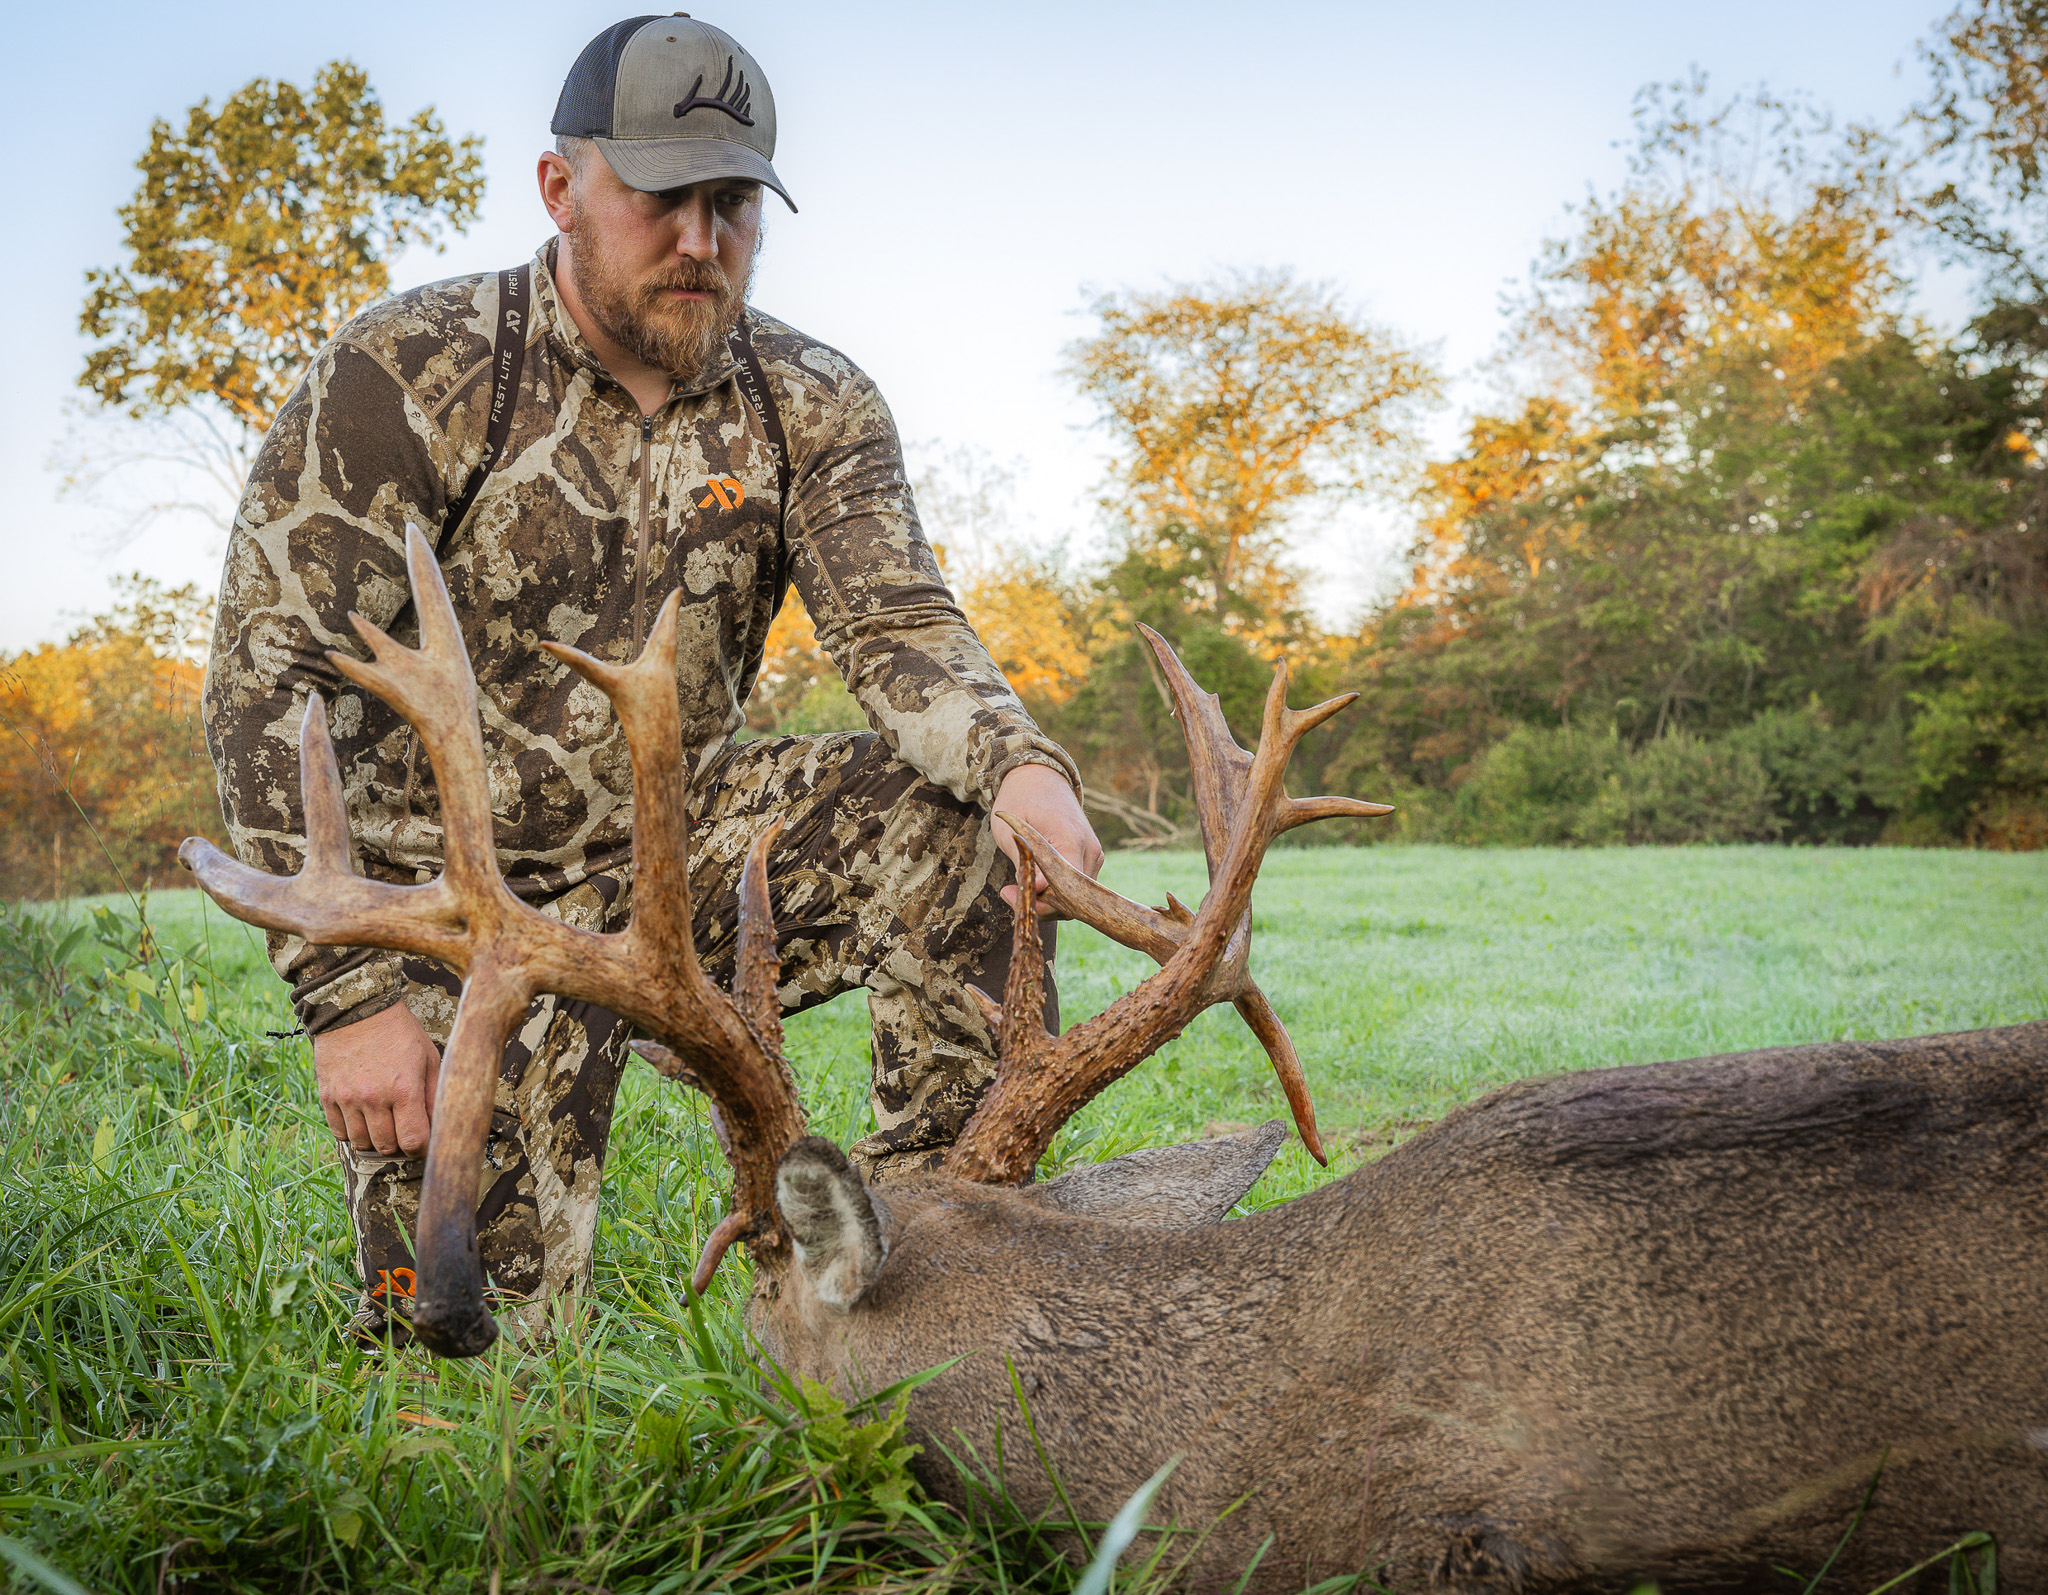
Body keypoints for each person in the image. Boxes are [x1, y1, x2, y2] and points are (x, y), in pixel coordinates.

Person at [201, 14, 1103, 1345]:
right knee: (465, 1353)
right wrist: (347, 997)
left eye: (733, 203)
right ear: (562, 188)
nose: (700, 239)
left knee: (956, 823)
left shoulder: (812, 402)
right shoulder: (409, 372)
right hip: (450, 905)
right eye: (662, 198)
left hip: (680, 857)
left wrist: (1021, 765)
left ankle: (927, 1282)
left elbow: (900, 625)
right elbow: (266, 681)